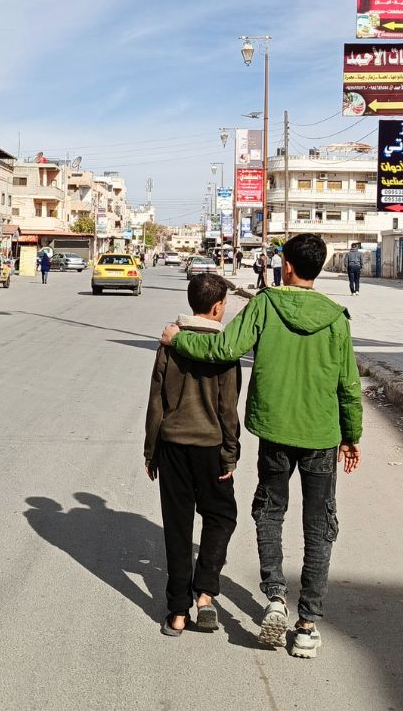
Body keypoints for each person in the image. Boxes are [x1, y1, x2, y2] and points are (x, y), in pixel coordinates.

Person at [161, 233, 362, 659]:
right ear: (319, 268)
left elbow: (223, 348)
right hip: (321, 436)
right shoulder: (336, 317)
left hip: (274, 431)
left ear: (286, 265)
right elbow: (348, 385)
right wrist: (352, 435)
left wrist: (178, 339)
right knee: (319, 525)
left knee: (270, 512)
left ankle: (274, 596)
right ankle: (307, 623)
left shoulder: (266, 305)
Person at [145, 273, 242, 637]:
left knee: (177, 526)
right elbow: (228, 407)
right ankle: (205, 593)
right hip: (210, 449)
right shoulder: (223, 347)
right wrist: (230, 454)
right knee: (221, 517)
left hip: (172, 447)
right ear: (218, 307)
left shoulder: (170, 342)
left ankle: (177, 613)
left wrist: (151, 451)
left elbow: (157, 399)